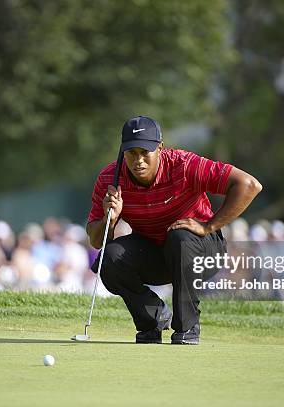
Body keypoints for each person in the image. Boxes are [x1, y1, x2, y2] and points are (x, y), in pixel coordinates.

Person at [86, 116, 262, 344]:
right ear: (123, 152)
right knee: (109, 258)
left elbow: (249, 185)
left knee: (180, 237)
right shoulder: (111, 179)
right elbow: (96, 240)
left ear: (160, 147)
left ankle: (186, 328)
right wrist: (110, 220)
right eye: (131, 153)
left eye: (144, 152)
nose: (138, 160)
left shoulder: (184, 164)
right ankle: (153, 319)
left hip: (201, 249)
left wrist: (209, 225)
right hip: (156, 253)